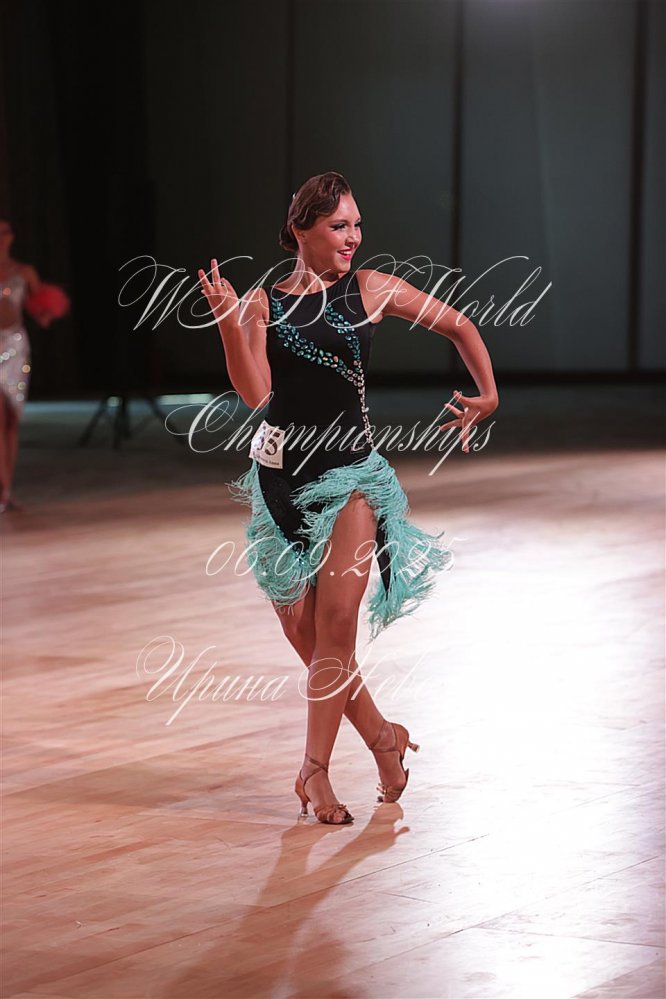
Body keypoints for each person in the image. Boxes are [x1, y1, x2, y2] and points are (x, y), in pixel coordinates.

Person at [198, 171, 499, 825]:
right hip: (280, 482)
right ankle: (385, 738)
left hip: (352, 477)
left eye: (357, 224)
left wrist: (488, 394)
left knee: (337, 625)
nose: (353, 236)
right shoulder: (263, 303)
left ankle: (314, 770)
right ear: (300, 230)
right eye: (339, 225)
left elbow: (459, 324)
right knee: (308, 637)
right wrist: (227, 322)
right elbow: (256, 393)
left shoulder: (371, 289)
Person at [0, 218, 51, 513]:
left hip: (16, 347)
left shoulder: (24, 272)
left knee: (11, 419)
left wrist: (47, 312)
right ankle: (3, 489)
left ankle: (8, 488)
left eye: (5, 232)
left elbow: (39, 308)